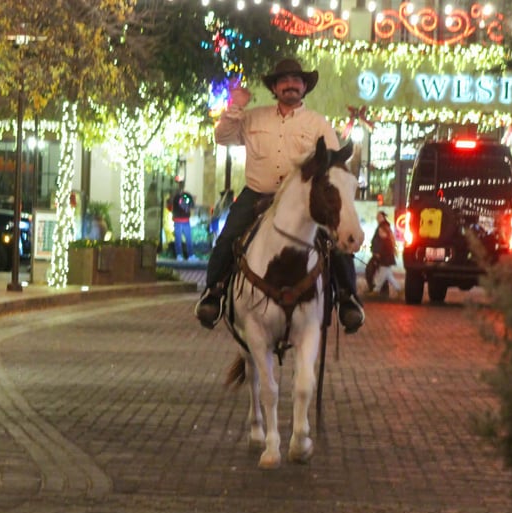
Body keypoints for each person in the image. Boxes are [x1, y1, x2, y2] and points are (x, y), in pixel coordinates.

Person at [195, 58, 364, 333]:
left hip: (301, 201)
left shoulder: (317, 123)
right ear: (274, 87)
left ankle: (348, 298)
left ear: (304, 87)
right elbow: (222, 137)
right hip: (258, 193)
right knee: (228, 236)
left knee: (333, 241)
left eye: (296, 80)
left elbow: (332, 163)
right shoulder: (253, 117)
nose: (290, 85)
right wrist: (235, 107)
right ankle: (214, 292)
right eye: (283, 80)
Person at [370, 211, 401, 299]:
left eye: (379, 216)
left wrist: (378, 253)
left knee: (382, 275)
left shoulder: (383, 228)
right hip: (387, 257)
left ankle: (376, 290)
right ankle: (399, 289)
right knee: (388, 275)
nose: (377, 218)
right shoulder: (385, 228)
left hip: (385, 258)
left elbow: (381, 244)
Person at [168, 183, 196, 261]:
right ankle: (181, 255)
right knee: (180, 239)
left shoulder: (183, 196)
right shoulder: (178, 197)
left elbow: (191, 205)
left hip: (183, 220)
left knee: (187, 238)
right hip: (180, 221)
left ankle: (188, 255)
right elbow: (189, 205)